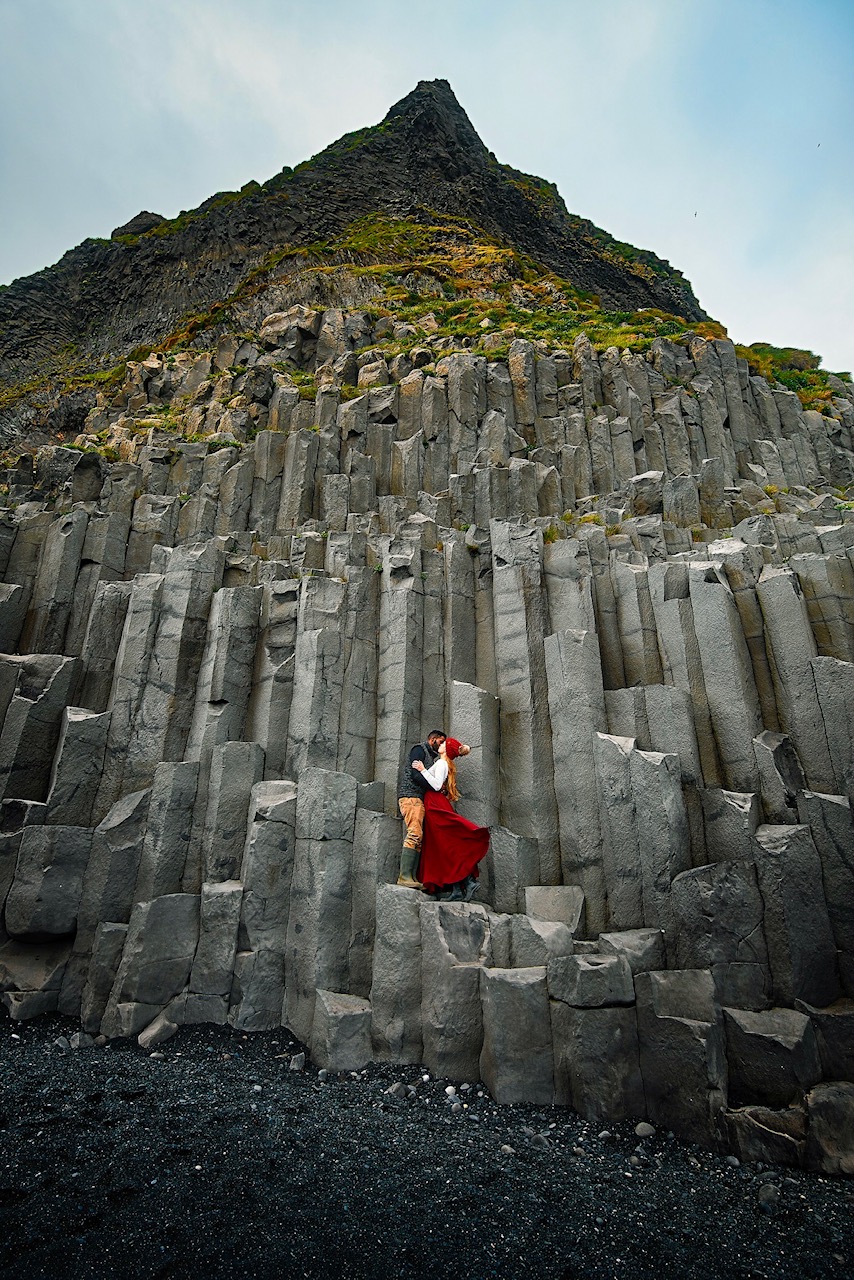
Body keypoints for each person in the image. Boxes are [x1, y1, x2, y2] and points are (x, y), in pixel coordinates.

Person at [413, 737, 489, 901]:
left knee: (446, 845)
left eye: (443, 744)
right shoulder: (441, 763)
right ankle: (458, 888)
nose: (440, 745)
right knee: (444, 846)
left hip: (435, 805)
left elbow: (435, 785)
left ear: (448, 749)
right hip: (435, 804)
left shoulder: (442, 763)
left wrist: (422, 769)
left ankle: (467, 882)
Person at [397, 729, 446, 889]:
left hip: (418, 798)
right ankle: (404, 877)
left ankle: (411, 877)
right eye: (441, 741)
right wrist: (435, 787)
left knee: (419, 839)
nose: (442, 744)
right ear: (432, 739)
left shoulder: (433, 758)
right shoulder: (418, 749)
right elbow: (415, 775)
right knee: (414, 833)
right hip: (410, 796)